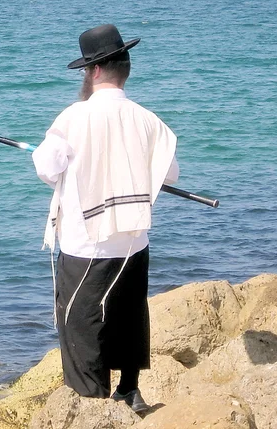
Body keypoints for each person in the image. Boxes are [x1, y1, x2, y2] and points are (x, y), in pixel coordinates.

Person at [31, 24, 179, 413]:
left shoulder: (73, 118)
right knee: (127, 314)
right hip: (134, 239)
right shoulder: (149, 121)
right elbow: (170, 172)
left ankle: (93, 406)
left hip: (87, 243)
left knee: (81, 323)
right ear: (123, 70)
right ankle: (129, 390)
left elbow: (47, 169)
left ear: (94, 71)